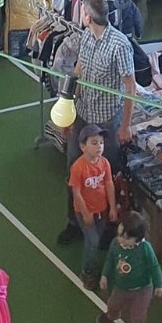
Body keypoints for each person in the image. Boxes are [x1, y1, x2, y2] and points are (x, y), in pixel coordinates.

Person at [57, 0, 136, 247]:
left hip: (106, 123)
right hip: (83, 116)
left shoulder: (119, 45)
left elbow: (130, 87)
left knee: (104, 175)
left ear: (89, 17)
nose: (80, 14)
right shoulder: (87, 37)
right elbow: (78, 73)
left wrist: (125, 125)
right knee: (74, 171)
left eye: (82, 11)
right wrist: (68, 111)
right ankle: (74, 222)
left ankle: (105, 228)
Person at [98, 210, 162, 323]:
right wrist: (104, 275)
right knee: (113, 305)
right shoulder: (115, 244)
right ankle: (111, 316)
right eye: (119, 234)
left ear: (137, 238)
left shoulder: (145, 248)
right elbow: (110, 260)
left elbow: (154, 267)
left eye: (126, 238)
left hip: (142, 289)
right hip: (121, 287)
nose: (121, 240)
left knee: (138, 315)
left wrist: (159, 285)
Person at [70, 124, 119, 289]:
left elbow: (109, 184)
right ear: (83, 147)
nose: (99, 147)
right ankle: (88, 271)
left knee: (95, 239)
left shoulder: (104, 163)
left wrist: (112, 207)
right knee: (93, 241)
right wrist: (85, 213)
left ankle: (93, 265)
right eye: (94, 143)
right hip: (86, 212)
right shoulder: (78, 167)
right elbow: (76, 193)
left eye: (101, 143)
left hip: (101, 209)